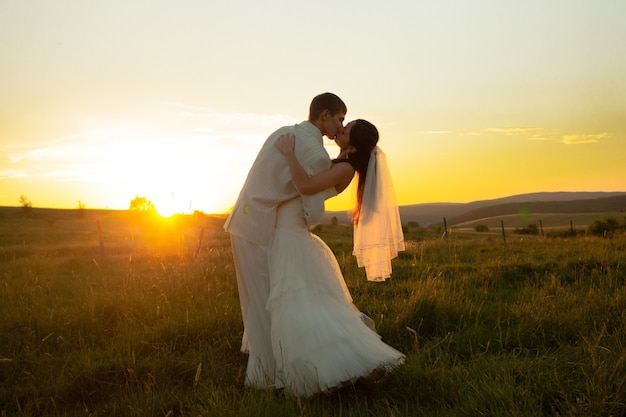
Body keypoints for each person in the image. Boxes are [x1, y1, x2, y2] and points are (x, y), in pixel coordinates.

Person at [267, 119, 405, 397]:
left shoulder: (345, 168)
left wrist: (289, 153)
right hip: (293, 233)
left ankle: (315, 367)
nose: (339, 130)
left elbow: (305, 186)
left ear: (352, 144)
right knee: (304, 303)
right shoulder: (340, 162)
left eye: (345, 129)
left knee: (299, 302)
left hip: (294, 238)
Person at [223, 93, 346, 390]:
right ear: (325, 115)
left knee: (255, 301)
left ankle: (268, 369)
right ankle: (270, 377)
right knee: (268, 304)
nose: (340, 127)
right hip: (263, 230)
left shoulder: (284, 132)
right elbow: (312, 211)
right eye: (339, 119)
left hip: (243, 219)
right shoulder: (316, 153)